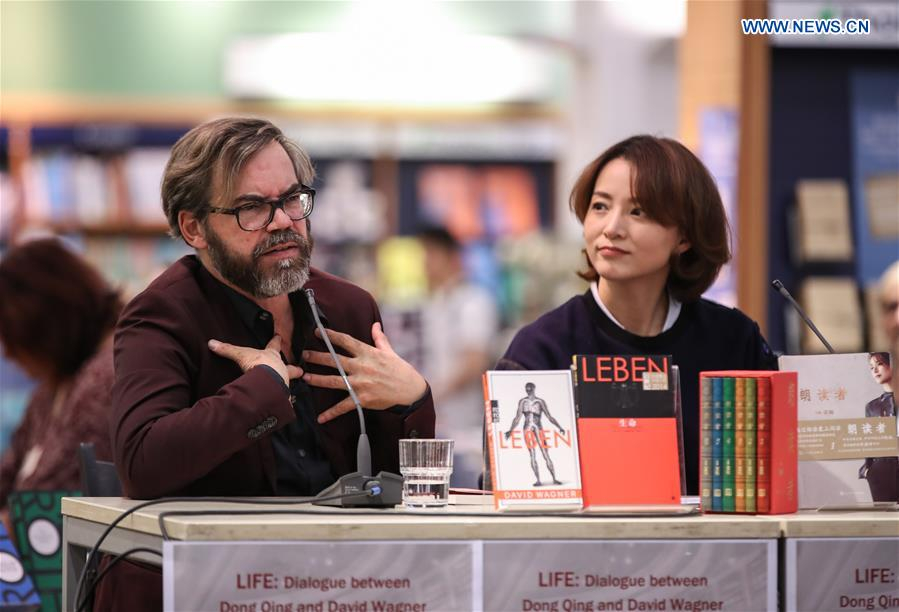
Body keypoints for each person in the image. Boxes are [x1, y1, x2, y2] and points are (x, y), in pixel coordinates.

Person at [98, 117, 435, 609]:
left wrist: (412, 401)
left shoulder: (348, 308)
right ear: (194, 228)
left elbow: (397, 484)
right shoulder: (161, 316)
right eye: (251, 208)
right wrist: (261, 392)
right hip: (211, 586)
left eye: (292, 199)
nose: (282, 222)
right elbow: (142, 466)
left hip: (341, 583)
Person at [497, 135, 777, 496]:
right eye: (600, 206)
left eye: (638, 212)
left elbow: (778, 474)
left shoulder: (733, 341)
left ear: (684, 237)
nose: (611, 228)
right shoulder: (542, 348)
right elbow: (509, 490)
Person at [0, 238, 120, 531]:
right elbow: (9, 472)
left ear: (42, 326)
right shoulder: (55, 383)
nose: (8, 355)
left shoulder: (103, 380)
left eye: (12, 340)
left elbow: (51, 504)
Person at [417, 226, 499, 488]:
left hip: (467, 425)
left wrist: (429, 394)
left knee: (466, 491)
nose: (425, 263)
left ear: (452, 258)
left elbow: (475, 361)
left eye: (431, 255)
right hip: (438, 421)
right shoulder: (434, 303)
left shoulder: (474, 301)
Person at [504, 382, 565, 486]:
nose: (528, 391)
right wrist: (511, 430)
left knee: (545, 453)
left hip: (538, 427)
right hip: (527, 428)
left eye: (530, 389)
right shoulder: (523, 402)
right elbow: (517, 418)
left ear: (533, 388)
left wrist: (559, 427)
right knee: (532, 454)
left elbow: (549, 417)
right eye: (526, 389)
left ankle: (554, 479)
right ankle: (538, 480)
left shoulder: (540, 402)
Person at [859, 352, 898, 502]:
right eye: (871, 367)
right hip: (881, 472)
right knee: (884, 513)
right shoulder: (872, 406)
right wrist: (869, 469)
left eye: (880, 364)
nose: (875, 370)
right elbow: (870, 442)